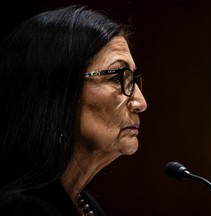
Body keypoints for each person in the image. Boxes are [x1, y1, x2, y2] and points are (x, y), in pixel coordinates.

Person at [0, 4, 147, 216]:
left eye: (133, 80)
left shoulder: (87, 206)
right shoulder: (21, 209)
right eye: (116, 78)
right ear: (56, 93)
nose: (141, 103)